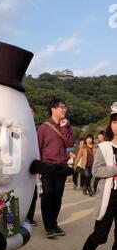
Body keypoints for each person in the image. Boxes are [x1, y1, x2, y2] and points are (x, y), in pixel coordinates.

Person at [77, 103, 117, 250]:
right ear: (111, 125)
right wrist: (115, 169)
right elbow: (96, 170)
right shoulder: (105, 147)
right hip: (109, 196)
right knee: (101, 234)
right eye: (115, 121)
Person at [37, 97, 74, 238]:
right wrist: (38, 169)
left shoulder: (67, 127)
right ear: (53, 109)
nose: (64, 109)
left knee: (58, 197)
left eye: (65, 107)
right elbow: (38, 148)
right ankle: (49, 227)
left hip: (61, 166)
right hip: (47, 166)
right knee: (47, 196)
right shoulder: (43, 127)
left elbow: (70, 143)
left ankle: (54, 223)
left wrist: (64, 128)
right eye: (61, 107)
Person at [26, 105, 38, 226]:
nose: (30, 113)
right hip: (19, 166)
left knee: (33, 194)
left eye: (32, 112)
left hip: (33, 166)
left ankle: (29, 217)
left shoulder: (37, 129)